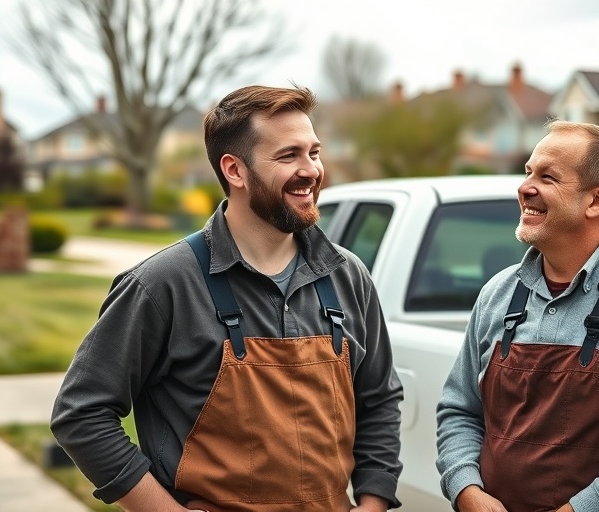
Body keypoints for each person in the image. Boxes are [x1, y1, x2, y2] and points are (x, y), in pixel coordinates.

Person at [51, 85, 403, 512]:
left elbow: (379, 400)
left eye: (314, 152)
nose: (311, 170)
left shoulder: (348, 277)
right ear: (235, 171)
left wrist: (372, 502)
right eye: (288, 156)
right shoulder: (162, 285)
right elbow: (81, 414)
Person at [435, 121, 599, 512]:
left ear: (596, 201)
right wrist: (466, 491)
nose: (525, 187)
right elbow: (459, 411)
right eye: (528, 172)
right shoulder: (498, 294)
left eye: (548, 177)